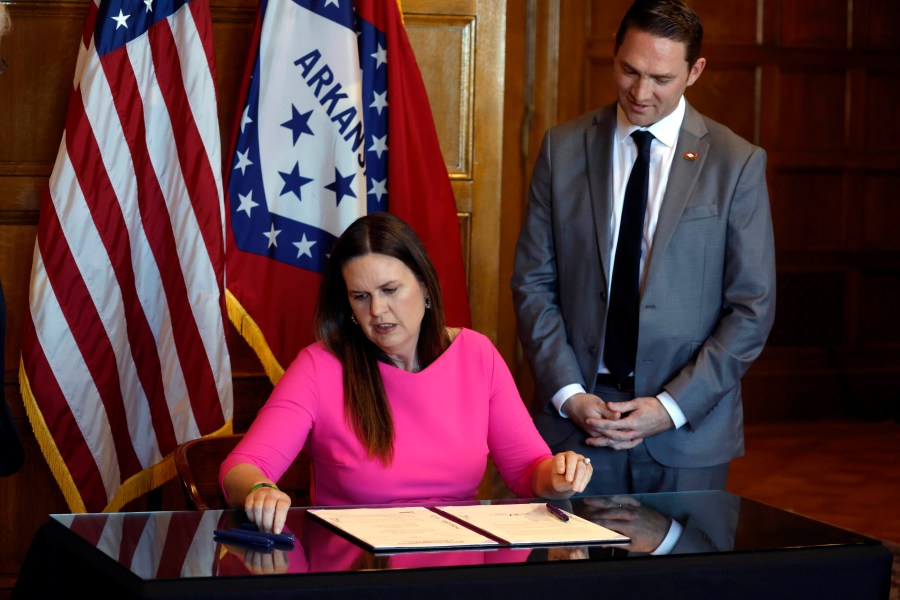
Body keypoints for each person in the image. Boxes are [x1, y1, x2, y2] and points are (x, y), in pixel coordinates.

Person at [511, 0, 775, 495]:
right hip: (576, 424)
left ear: (694, 71)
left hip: (687, 431)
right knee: (572, 571)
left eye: (661, 78)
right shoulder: (563, 148)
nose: (640, 92)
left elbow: (752, 308)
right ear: (614, 55)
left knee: (682, 572)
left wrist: (670, 407)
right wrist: (568, 394)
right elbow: (533, 283)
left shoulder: (735, 163)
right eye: (629, 71)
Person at [221, 211, 593, 533]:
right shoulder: (320, 366)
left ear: (425, 286)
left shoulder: (477, 354)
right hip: (357, 574)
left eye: (390, 289)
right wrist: (258, 490)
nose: (378, 310)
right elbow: (242, 466)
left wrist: (560, 475)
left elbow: (529, 471)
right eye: (361, 296)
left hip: (453, 567)